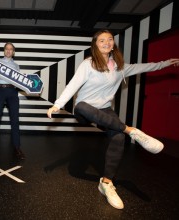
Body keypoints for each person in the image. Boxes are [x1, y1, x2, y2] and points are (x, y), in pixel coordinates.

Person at [47, 29, 179, 210]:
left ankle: (107, 183)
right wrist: (57, 104)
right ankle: (132, 130)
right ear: (95, 44)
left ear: (113, 44)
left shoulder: (119, 66)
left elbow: (144, 66)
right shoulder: (89, 64)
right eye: (102, 40)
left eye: (110, 39)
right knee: (82, 106)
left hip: (105, 110)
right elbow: (73, 85)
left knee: (118, 137)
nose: (107, 42)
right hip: (85, 111)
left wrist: (165, 63)